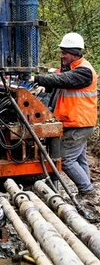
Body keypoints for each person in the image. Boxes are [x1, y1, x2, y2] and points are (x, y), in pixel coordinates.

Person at [32, 32, 98, 200]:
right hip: (74, 122)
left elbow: (64, 80)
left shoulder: (83, 71)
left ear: (75, 53)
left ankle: (87, 191)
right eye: (61, 52)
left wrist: (37, 78)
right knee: (80, 159)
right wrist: (45, 88)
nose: (61, 55)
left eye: (64, 53)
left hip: (79, 123)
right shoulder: (70, 69)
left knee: (67, 160)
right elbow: (60, 85)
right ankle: (87, 191)